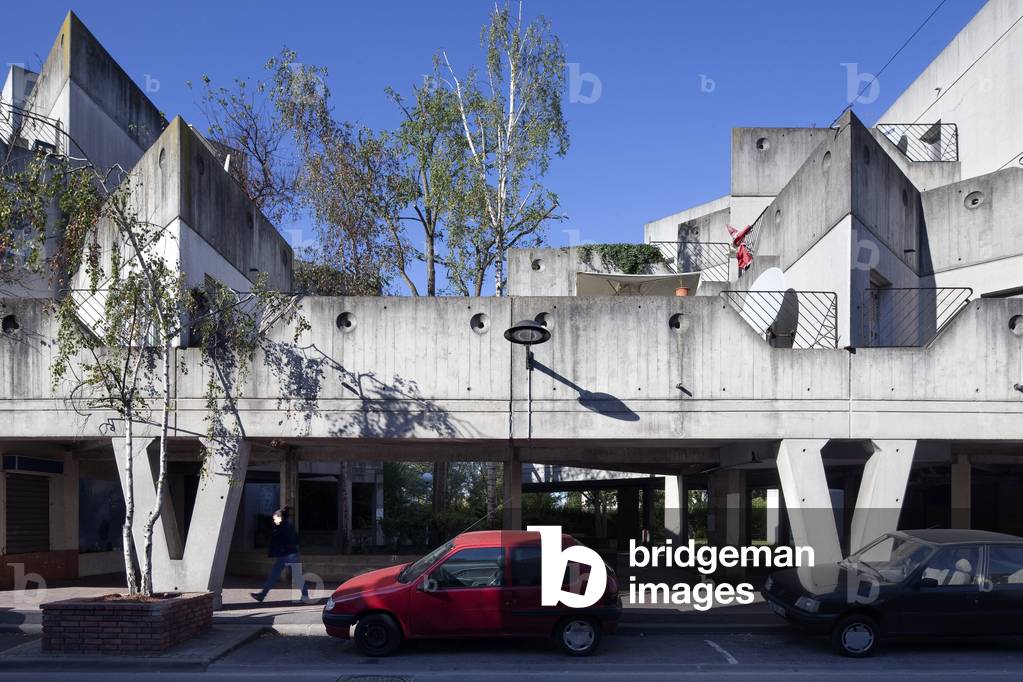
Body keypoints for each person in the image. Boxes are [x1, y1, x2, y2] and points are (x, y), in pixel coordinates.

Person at [251, 507, 312, 603]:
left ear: (280, 518)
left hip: (285, 554)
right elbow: (296, 539)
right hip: (292, 553)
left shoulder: (281, 528)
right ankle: (305, 596)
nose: (274, 519)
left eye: (275, 518)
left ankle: (262, 595)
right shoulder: (288, 526)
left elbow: (278, 541)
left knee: (274, 575)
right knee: (296, 576)